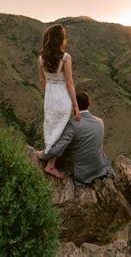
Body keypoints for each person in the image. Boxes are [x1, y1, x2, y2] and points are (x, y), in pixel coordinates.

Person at [37, 92, 115, 185]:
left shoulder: (72, 125)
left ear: (72, 105)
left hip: (81, 171)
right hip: (98, 166)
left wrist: (41, 154)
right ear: (89, 104)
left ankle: (51, 167)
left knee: (57, 138)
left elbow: (58, 148)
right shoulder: (100, 122)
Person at [38, 24, 80, 179]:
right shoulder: (65, 58)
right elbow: (69, 83)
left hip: (49, 97)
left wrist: (49, 94)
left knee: (50, 126)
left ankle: (47, 153)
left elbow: (43, 81)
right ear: (61, 39)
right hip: (63, 98)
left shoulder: (41, 58)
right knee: (60, 131)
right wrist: (75, 105)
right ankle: (50, 165)